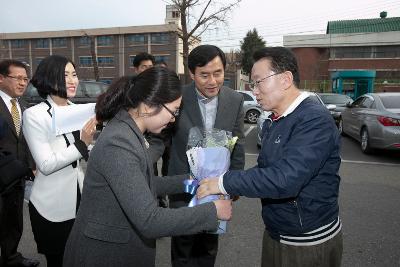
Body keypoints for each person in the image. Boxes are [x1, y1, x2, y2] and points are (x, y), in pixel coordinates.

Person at [62, 67, 232, 267]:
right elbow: (150, 220)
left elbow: (144, 184)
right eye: (173, 111)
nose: (173, 119)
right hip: (105, 254)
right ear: (149, 105)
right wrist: (212, 211)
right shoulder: (118, 142)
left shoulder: (129, 131)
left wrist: (193, 183)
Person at [197, 47, 343, 267]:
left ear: (285, 79)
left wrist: (224, 183)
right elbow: (266, 169)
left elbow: (286, 180)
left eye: (258, 82)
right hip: (278, 232)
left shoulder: (314, 120)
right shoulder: (276, 119)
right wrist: (232, 186)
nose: (254, 91)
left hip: (307, 242)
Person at [167, 45, 245, 267]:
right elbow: (161, 138)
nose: (212, 81)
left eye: (218, 73)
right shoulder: (177, 98)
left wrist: (235, 181)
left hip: (217, 187)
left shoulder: (234, 99)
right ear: (192, 74)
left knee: (209, 245)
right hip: (183, 185)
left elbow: (237, 143)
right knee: (183, 246)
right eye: (204, 75)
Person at [22, 55, 97, 267]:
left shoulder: (77, 109)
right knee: (59, 261)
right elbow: (45, 165)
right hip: (50, 207)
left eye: (74, 74)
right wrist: (82, 144)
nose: (73, 80)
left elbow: (86, 150)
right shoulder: (34, 115)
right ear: (49, 78)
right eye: (65, 75)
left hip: (80, 199)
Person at [0, 59, 39, 267]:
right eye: (18, 78)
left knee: (13, 221)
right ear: (1, 78)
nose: (23, 83)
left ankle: (11, 258)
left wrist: (31, 165)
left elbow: (26, 140)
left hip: (17, 176)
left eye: (26, 79)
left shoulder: (24, 107)